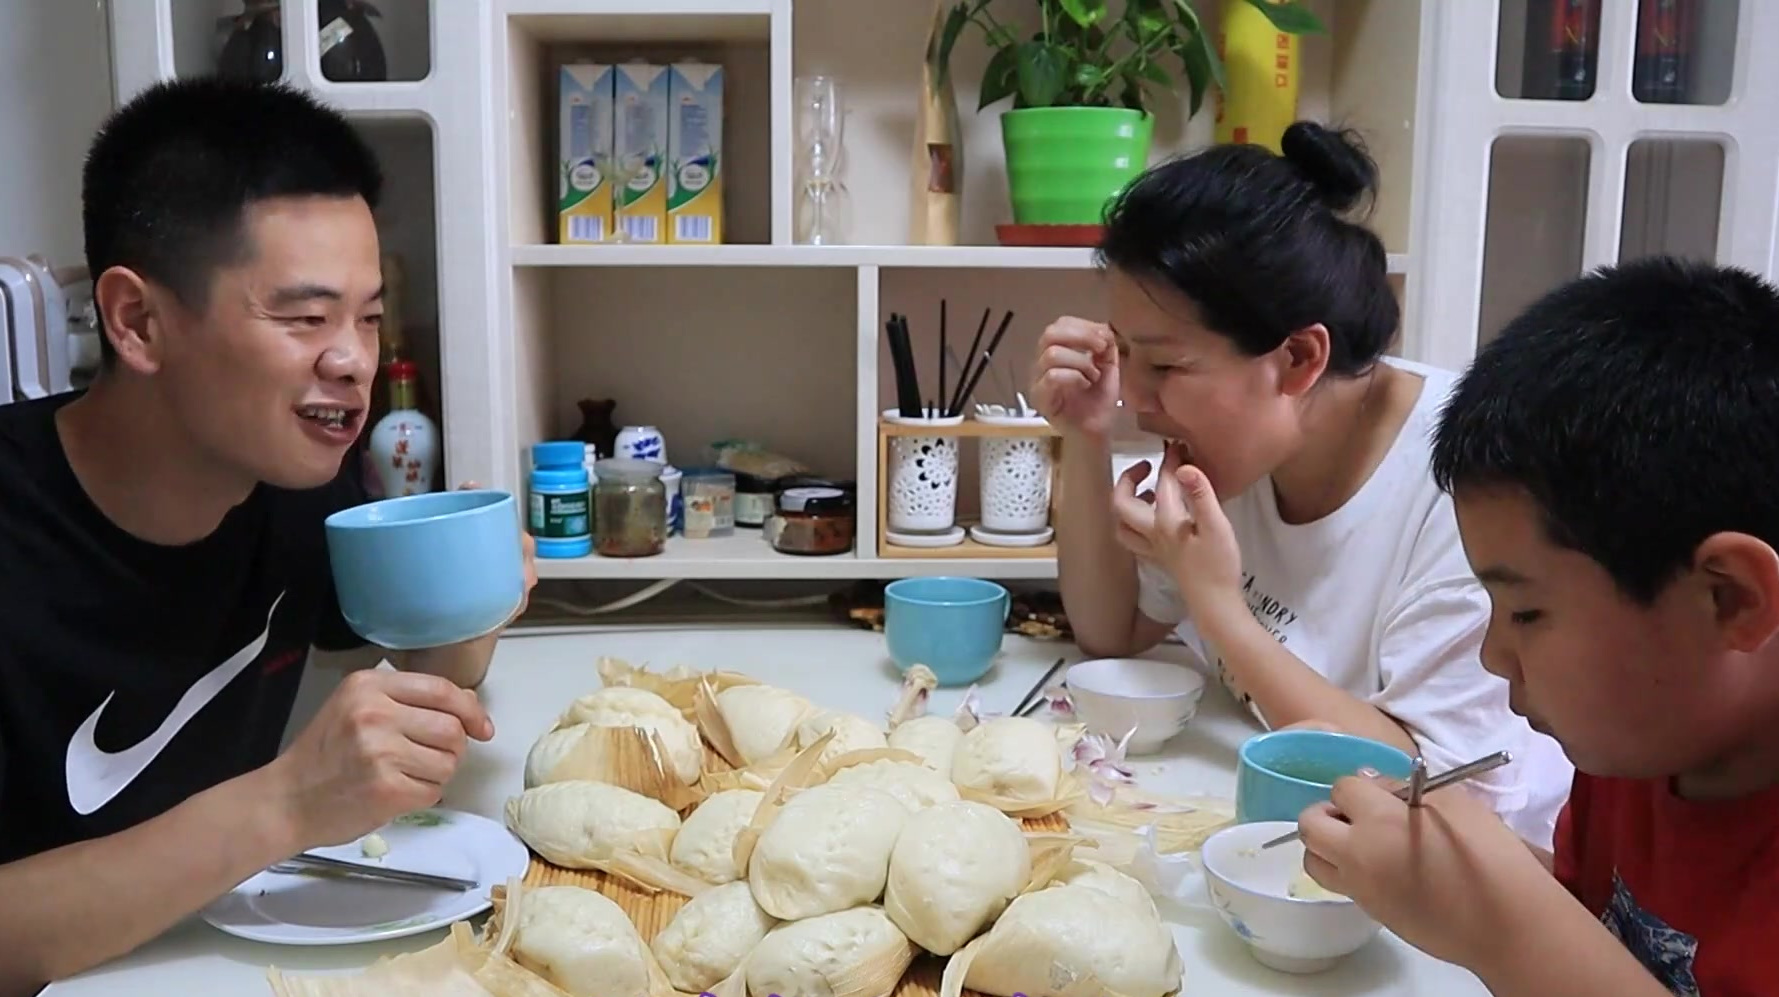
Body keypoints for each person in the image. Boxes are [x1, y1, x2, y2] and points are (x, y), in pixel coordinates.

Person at [0, 76, 536, 993]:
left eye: (369, 315)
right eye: (305, 318)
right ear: (137, 321)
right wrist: (286, 802)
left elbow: (406, 709)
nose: (354, 359)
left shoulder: (296, 484)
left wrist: (469, 607)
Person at [1033, 121, 1569, 843]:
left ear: (1297, 359)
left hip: (1470, 865)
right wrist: (1084, 435)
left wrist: (1217, 605)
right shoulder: (1232, 453)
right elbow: (1113, 633)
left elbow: (1436, 788)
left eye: (1164, 364)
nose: (1134, 394)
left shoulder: (1468, 479)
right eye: (1123, 351)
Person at [1297, 257, 1779, 997]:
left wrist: (1499, 927)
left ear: (1728, 598)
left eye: (1526, 612)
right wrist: (1470, 873)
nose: (1494, 656)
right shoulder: (1639, 742)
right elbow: (1601, 940)